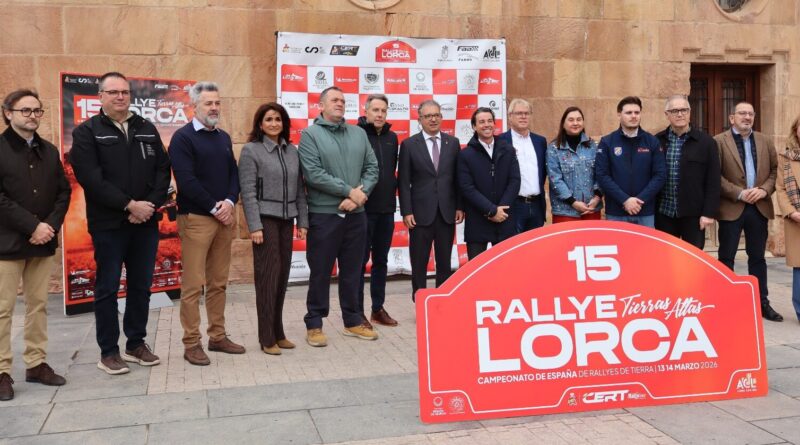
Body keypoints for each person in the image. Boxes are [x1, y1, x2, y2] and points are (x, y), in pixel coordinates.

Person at [70, 72, 170, 375]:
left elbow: (163, 171)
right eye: (113, 92)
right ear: (100, 97)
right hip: (109, 224)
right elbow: (91, 178)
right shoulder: (87, 132)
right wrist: (129, 205)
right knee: (108, 288)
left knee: (141, 287)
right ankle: (109, 351)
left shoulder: (146, 128)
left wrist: (147, 206)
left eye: (125, 92)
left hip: (145, 222)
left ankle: (136, 343)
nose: (120, 97)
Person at [0, 89, 71, 400]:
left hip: (42, 242)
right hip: (6, 243)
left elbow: (63, 193)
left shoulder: (49, 150)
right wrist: (33, 225)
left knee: (38, 305)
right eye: (24, 110)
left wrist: (50, 226)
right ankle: (2, 371)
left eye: (37, 111)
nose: (32, 115)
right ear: (8, 114)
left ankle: (36, 363)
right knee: (2, 310)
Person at [170, 81, 244, 366]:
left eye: (217, 103)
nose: (214, 108)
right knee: (192, 286)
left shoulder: (224, 137)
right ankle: (191, 343)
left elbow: (233, 175)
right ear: (194, 106)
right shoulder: (183, 138)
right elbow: (186, 181)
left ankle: (217, 336)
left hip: (223, 218)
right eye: (208, 103)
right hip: (197, 219)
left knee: (218, 283)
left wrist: (228, 201)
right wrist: (215, 207)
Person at [298, 86, 379, 347]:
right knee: (321, 271)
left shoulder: (358, 133)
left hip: (357, 216)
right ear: (320, 106)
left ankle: (353, 321)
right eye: (334, 100)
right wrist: (349, 192)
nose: (340, 104)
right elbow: (313, 173)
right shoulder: (310, 135)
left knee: (353, 271)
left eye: (343, 100)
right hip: (325, 216)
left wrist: (356, 196)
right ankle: (314, 324)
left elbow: (372, 168)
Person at [239, 103, 308, 355]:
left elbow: (300, 189)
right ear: (260, 124)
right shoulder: (251, 151)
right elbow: (247, 192)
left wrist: (303, 221)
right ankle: (266, 337)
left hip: (287, 220)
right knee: (267, 279)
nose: (273, 124)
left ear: (284, 123)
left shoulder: (292, 151)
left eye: (278, 119)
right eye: (268, 119)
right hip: (265, 221)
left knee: (281, 278)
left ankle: (279, 333)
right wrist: (254, 225)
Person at [716, 101, 782, 322]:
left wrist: (764, 190)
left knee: (758, 258)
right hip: (731, 207)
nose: (747, 117)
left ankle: (761, 302)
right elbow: (715, 176)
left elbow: (774, 170)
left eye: (750, 114)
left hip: (759, 208)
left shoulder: (765, 140)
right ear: (731, 118)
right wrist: (739, 193)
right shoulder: (719, 141)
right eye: (742, 113)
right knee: (726, 257)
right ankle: (724, 303)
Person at [398, 100, 463, 300]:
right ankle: (419, 300)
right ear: (420, 120)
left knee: (444, 261)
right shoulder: (409, 145)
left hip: (446, 212)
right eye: (428, 116)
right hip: (419, 214)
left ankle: (441, 302)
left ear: (441, 117)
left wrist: (459, 206)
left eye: (436, 115)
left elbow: (458, 178)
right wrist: (406, 211)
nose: (433, 119)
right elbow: (403, 181)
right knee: (419, 261)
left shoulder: (452, 143)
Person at [654, 95, 720, 249]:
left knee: (693, 260)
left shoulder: (706, 142)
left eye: (684, 110)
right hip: (664, 213)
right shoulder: (657, 141)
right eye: (675, 110)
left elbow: (713, 181)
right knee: (666, 257)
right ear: (667, 115)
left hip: (694, 215)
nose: (680, 114)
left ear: (690, 112)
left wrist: (708, 213)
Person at [357, 94, 399, 327]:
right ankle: (357, 312)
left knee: (381, 261)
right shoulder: (357, 134)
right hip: (362, 210)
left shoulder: (393, 138)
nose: (380, 114)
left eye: (383, 110)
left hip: (386, 210)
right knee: (359, 262)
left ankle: (377, 308)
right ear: (366, 111)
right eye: (375, 110)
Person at [458, 107, 521, 259]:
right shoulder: (465, 154)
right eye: (481, 122)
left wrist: (501, 210)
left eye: (490, 121)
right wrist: (491, 211)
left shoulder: (508, 149)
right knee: (477, 271)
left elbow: (515, 180)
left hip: (504, 218)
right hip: (478, 219)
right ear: (474, 126)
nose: (486, 125)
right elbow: (467, 188)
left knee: (505, 269)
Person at [595, 96, 666, 227]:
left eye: (637, 112)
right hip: (616, 211)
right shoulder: (607, 142)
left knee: (645, 248)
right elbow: (602, 175)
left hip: (645, 212)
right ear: (619, 114)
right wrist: (625, 200)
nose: (633, 116)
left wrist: (639, 201)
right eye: (628, 112)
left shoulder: (652, 142)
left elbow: (660, 175)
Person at [545, 106, 603, 223]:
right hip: (565, 211)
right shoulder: (554, 149)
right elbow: (555, 179)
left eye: (579, 119)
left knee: (592, 241)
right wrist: (573, 202)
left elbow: (601, 173)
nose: (575, 123)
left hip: (591, 209)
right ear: (563, 124)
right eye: (571, 120)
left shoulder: (593, 146)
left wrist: (597, 197)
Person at [498, 99, 547, 232]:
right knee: (515, 248)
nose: (523, 116)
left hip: (537, 205)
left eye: (527, 113)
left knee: (535, 249)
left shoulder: (540, 141)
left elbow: (542, 172)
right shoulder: (500, 141)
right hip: (513, 206)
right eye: (519, 113)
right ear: (510, 117)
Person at [775, 114, 800, 322]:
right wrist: (792, 212)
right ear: (796, 130)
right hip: (797, 218)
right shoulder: (786, 157)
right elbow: (781, 188)